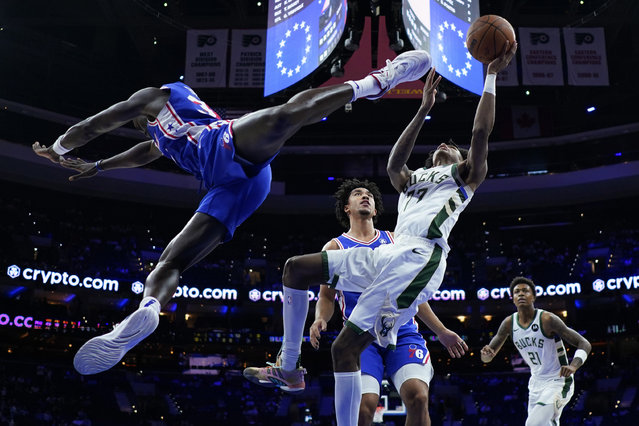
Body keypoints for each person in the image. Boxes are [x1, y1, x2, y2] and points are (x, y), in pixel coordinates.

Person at [31, 50, 433, 375]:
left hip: (228, 146)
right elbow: (141, 153)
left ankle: (376, 82)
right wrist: (99, 167)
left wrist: (61, 148)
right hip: (231, 186)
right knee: (170, 260)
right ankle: (146, 311)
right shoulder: (155, 136)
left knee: (284, 116)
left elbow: (96, 124)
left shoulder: (153, 97)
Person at [244, 41, 518, 426]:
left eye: (453, 148)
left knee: (358, 358)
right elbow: (394, 165)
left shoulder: (465, 177)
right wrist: (422, 109)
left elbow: (480, 130)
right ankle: (289, 368)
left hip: (418, 258)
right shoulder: (414, 180)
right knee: (294, 270)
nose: (446, 145)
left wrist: (490, 74)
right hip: (388, 256)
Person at [481, 277, 591, 426]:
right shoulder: (508, 323)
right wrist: (485, 355)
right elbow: (487, 358)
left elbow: (584, 343)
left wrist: (574, 366)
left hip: (557, 381)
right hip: (535, 384)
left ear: (533, 296)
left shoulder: (547, 319)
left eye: (525, 291)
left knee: (533, 424)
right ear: (512, 299)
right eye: (516, 292)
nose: (520, 294)